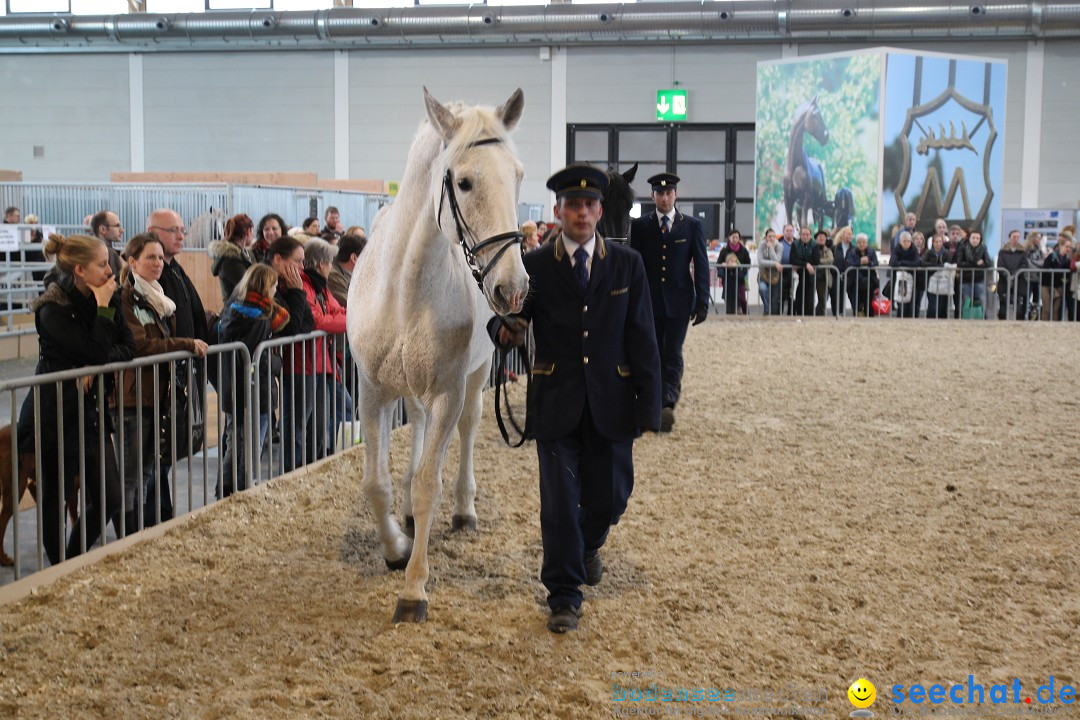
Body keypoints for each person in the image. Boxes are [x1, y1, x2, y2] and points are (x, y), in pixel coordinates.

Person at [494, 164, 660, 633]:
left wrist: (650, 403)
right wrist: (503, 330)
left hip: (613, 401)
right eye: (572, 205)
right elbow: (510, 316)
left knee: (612, 497)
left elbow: (643, 335)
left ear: (601, 211)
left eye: (589, 205)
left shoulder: (628, 265)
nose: (581, 213)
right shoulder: (537, 267)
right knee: (561, 504)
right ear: (558, 211)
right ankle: (564, 594)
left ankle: (588, 546)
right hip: (556, 401)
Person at [16, 233, 135, 565]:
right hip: (55, 411)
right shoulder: (52, 307)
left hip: (91, 410)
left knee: (110, 498)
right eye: (102, 265)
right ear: (80, 270)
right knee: (54, 494)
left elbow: (128, 347)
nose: (110, 271)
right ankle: (59, 567)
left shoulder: (107, 299)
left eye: (109, 263)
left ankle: (73, 557)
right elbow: (96, 348)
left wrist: (93, 365)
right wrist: (100, 316)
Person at [117, 234, 208, 528]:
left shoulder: (158, 298)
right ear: (132, 262)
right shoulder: (126, 298)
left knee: (147, 470)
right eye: (150, 258)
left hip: (155, 393)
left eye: (159, 258)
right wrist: (186, 344)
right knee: (132, 475)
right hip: (134, 396)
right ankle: (128, 535)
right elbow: (140, 345)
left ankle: (139, 531)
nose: (158, 263)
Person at [629, 172, 708, 432]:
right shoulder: (640, 226)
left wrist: (702, 301)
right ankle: (654, 403)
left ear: (675, 195)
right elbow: (635, 265)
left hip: (679, 301)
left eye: (668, 192)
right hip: (648, 303)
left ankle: (667, 403)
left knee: (672, 352)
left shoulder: (691, 225)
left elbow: (701, 264)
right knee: (651, 354)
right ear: (652, 196)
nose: (664, 197)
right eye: (659, 193)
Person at [146, 208, 210, 519]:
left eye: (182, 230)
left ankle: (161, 511)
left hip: (181, 373)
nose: (181, 235)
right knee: (155, 452)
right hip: (161, 378)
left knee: (168, 449)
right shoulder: (154, 278)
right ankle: (154, 515)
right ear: (154, 232)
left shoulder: (176, 270)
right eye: (174, 230)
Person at [217, 264, 291, 496]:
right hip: (253, 388)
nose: (276, 290)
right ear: (265, 287)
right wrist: (278, 363)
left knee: (235, 441)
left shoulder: (232, 308)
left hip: (233, 386)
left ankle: (226, 490)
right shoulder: (259, 317)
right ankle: (245, 490)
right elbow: (258, 357)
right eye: (274, 285)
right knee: (251, 444)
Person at [294, 238, 348, 465]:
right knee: (306, 421)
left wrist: (342, 317)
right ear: (319, 263)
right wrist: (350, 319)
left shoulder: (320, 287)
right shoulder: (307, 286)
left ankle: (328, 454)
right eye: (328, 262)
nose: (331, 266)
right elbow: (319, 321)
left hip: (322, 361)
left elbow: (339, 310)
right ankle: (307, 463)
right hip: (307, 363)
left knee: (335, 409)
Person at [266, 235, 316, 472]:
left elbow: (307, 324)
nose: (301, 268)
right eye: (297, 261)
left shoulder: (287, 286)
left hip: (279, 363)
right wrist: (297, 292)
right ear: (278, 259)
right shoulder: (267, 284)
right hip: (262, 367)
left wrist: (297, 293)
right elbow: (292, 328)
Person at [209, 213, 256, 301]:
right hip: (237, 310)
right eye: (253, 231)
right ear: (248, 232)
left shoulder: (245, 253)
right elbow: (248, 287)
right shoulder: (230, 260)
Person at [956, 229, 991, 317]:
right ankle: (965, 318)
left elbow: (988, 263)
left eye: (977, 238)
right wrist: (976, 264)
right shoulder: (963, 247)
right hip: (966, 280)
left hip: (979, 279)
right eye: (973, 238)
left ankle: (983, 319)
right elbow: (959, 263)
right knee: (966, 301)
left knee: (982, 301)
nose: (975, 240)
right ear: (969, 238)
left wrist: (977, 265)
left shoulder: (983, 248)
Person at [716, 229, 750, 315]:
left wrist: (740, 268)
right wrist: (723, 264)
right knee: (729, 298)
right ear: (729, 238)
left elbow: (748, 263)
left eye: (737, 237)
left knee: (742, 298)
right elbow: (718, 263)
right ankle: (729, 315)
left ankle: (745, 314)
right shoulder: (724, 250)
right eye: (733, 237)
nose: (735, 239)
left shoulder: (743, 250)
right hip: (728, 279)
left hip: (740, 278)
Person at [327, 233, 366, 308]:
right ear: (354, 258)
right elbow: (353, 305)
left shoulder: (349, 272)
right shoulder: (333, 276)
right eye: (365, 256)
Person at [889, 231, 921, 318]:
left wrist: (902, 263)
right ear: (900, 241)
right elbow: (892, 262)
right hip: (900, 281)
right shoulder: (896, 249)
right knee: (901, 303)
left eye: (908, 241)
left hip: (913, 280)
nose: (906, 243)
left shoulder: (914, 250)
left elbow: (916, 263)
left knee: (912, 304)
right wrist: (907, 264)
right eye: (904, 241)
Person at [1042, 234, 1074, 321]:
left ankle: (1055, 328)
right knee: (1047, 309)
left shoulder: (1068, 260)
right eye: (1066, 246)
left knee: (1056, 309)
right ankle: (1043, 326)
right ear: (1060, 246)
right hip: (1047, 285)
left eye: (1070, 247)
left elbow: (1067, 274)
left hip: (1059, 286)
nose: (1068, 249)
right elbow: (1046, 270)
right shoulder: (1051, 257)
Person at [922, 233, 953, 319]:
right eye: (937, 242)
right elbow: (923, 263)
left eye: (940, 241)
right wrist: (937, 265)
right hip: (931, 280)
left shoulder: (947, 253)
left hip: (944, 281)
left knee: (943, 305)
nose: (939, 243)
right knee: (933, 305)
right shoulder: (928, 252)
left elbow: (949, 263)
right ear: (933, 242)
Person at [846, 233, 878, 316]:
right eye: (859, 242)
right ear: (857, 243)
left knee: (869, 305)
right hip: (855, 283)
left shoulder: (871, 251)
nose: (861, 244)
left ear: (867, 243)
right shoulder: (851, 252)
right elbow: (849, 263)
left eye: (863, 242)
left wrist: (869, 262)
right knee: (856, 305)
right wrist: (860, 262)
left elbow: (875, 263)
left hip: (869, 282)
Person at [996, 229, 1026, 320]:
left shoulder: (1023, 252)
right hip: (1004, 281)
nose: (1016, 239)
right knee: (1003, 304)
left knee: (1019, 306)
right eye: (1014, 237)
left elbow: (1024, 265)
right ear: (1009, 238)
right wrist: (1007, 276)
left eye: (1018, 237)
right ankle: (1001, 323)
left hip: (1019, 281)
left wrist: (1015, 276)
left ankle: (1019, 325)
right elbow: (1000, 265)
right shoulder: (1002, 251)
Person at [790, 225, 819, 316]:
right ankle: (798, 315)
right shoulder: (795, 244)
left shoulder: (815, 245)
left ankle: (809, 317)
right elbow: (793, 259)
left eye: (807, 234)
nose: (805, 236)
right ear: (800, 235)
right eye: (803, 234)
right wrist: (806, 264)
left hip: (810, 276)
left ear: (810, 235)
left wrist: (801, 263)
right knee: (799, 296)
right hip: (800, 275)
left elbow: (816, 260)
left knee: (810, 298)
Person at [756, 228, 783, 316]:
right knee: (762, 289)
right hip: (763, 274)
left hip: (775, 275)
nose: (771, 238)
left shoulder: (779, 246)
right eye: (769, 236)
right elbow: (760, 261)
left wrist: (771, 249)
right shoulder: (761, 245)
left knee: (775, 299)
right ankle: (767, 309)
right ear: (766, 237)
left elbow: (777, 259)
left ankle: (771, 312)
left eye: (773, 236)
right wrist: (775, 264)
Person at [832, 225, 853, 316]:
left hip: (849, 277)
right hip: (837, 277)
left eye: (851, 234)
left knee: (853, 297)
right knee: (836, 298)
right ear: (842, 235)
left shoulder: (854, 249)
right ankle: (837, 315)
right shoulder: (835, 248)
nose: (850, 236)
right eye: (848, 234)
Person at [814, 229, 835, 316]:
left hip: (823, 277)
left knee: (822, 299)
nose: (822, 238)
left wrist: (818, 261)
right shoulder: (812, 248)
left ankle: (820, 315)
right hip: (811, 276)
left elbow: (830, 260)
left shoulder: (828, 250)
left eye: (823, 237)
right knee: (808, 298)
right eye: (820, 237)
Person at [779, 224, 795, 315]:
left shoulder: (797, 243)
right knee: (782, 294)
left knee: (792, 296)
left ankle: (791, 313)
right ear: (783, 232)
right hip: (783, 273)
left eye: (791, 230)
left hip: (795, 273)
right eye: (787, 230)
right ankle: (780, 314)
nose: (789, 232)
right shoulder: (779, 243)